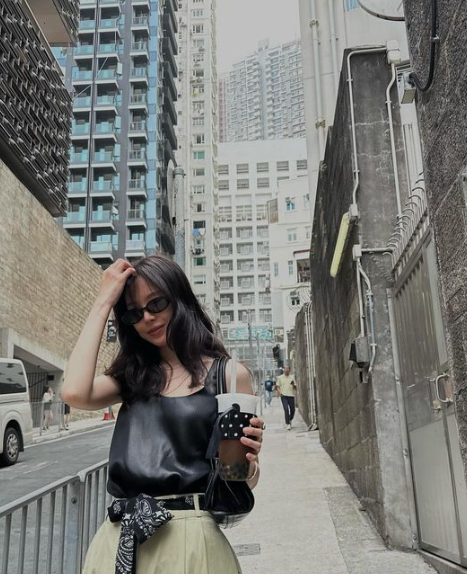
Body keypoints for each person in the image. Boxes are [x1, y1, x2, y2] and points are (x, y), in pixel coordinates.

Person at [62, 256, 265, 574]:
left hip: (193, 542)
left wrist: (248, 462)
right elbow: (74, 392)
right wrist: (103, 302)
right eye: (134, 313)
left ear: (179, 298)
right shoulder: (132, 377)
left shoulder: (228, 375)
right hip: (122, 539)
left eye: (156, 303)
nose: (147, 317)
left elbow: (238, 479)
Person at [276, 365, 296, 430]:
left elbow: (295, 387)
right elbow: (277, 386)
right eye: (285, 368)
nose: (286, 370)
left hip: (291, 395)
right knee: (286, 409)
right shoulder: (280, 377)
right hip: (284, 396)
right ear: (284, 369)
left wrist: (294, 385)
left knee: (293, 410)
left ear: (289, 370)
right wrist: (280, 393)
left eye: (287, 368)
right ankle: (288, 424)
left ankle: (290, 419)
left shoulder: (292, 377)